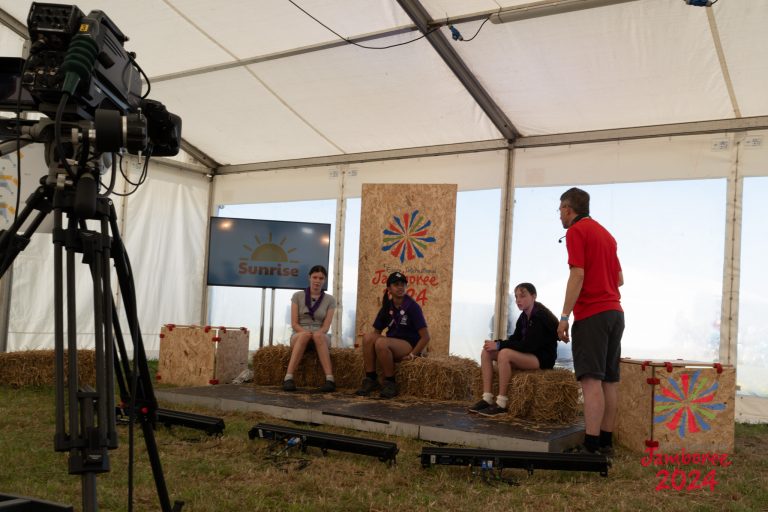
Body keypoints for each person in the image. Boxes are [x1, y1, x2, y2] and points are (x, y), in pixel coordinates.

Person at [557, 187, 624, 455]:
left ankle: (591, 446)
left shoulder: (576, 231)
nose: (559, 215)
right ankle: (605, 443)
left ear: (568, 209)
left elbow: (578, 274)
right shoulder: (607, 235)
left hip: (593, 314)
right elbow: (619, 279)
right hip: (615, 313)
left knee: (591, 381)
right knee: (609, 380)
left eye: (560, 210)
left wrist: (564, 316)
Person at [468, 283, 559, 417]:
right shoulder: (523, 317)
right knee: (486, 351)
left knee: (504, 354)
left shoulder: (540, 316)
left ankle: (502, 403)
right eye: (516, 297)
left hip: (541, 358)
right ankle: (487, 398)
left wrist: (499, 346)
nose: (518, 300)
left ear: (534, 296)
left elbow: (529, 346)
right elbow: (515, 340)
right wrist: (496, 344)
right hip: (527, 354)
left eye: (522, 296)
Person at [355, 271, 430, 399]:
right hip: (391, 343)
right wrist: (373, 350)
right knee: (368, 337)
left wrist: (413, 355)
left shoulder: (412, 307)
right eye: (396, 284)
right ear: (389, 289)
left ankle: (390, 382)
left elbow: (425, 337)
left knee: (381, 342)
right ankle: (371, 378)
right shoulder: (387, 306)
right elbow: (376, 333)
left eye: (403, 284)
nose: (400, 287)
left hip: (408, 345)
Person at [282, 265, 337, 392]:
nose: (317, 280)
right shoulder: (297, 296)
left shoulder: (330, 300)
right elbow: (294, 323)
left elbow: (326, 326)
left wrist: (317, 333)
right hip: (299, 332)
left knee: (318, 336)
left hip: (320, 333)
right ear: (309, 278)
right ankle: (288, 378)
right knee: (305, 336)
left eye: (321, 278)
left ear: (324, 280)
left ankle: (330, 380)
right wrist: (306, 332)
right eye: (315, 277)